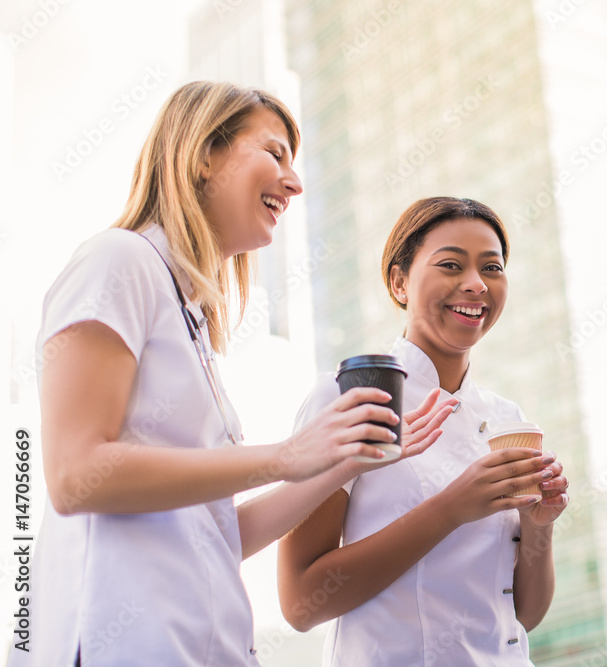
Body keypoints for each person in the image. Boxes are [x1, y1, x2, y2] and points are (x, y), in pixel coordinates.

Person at [15, 81, 453, 667]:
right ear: (203, 154)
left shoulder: (190, 323)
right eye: (274, 153)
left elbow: (219, 534)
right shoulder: (116, 262)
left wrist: (340, 460)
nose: (295, 182)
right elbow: (76, 474)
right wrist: (286, 453)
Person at [278, 197, 570, 665]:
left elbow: (524, 615)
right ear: (399, 282)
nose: (476, 285)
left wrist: (539, 529)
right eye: (451, 265)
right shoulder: (348, 396)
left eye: (491, 268)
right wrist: (451, 508)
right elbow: (300, 603)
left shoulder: (506, 418)